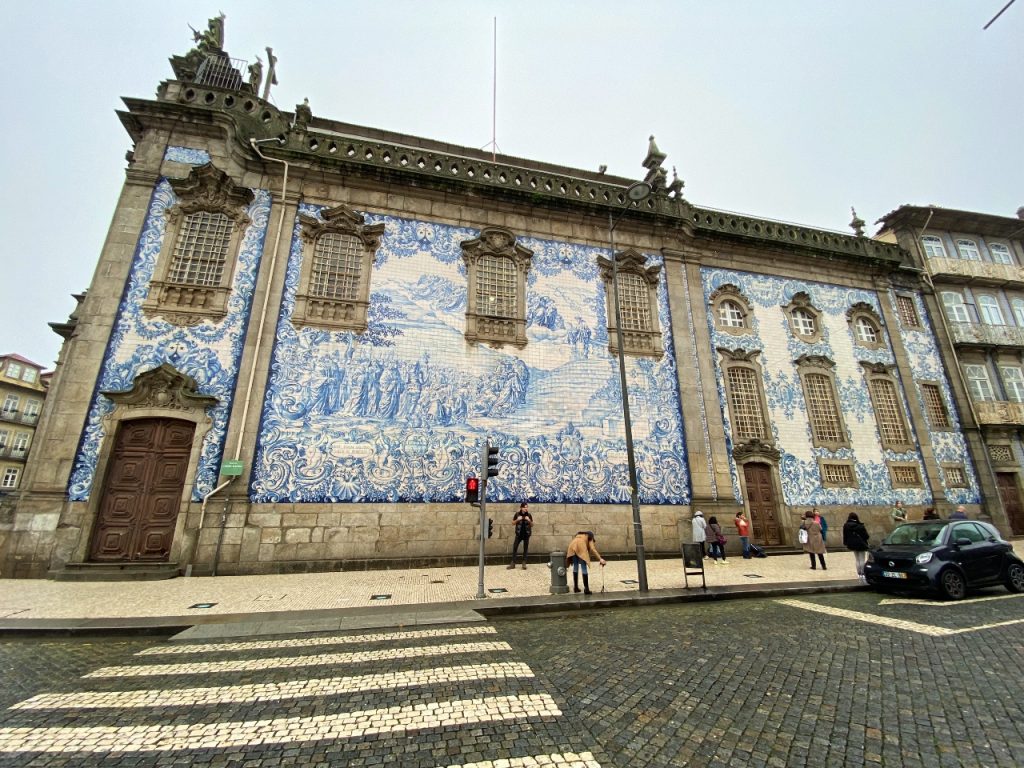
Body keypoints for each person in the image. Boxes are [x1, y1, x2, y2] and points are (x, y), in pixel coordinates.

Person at [842, 512, 870, 582]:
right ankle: (863, 574)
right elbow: (866, 536)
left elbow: (845, 535)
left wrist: (846, 543)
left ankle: (859, 573)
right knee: (862, 559)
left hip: (852, 544)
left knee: (857, 559)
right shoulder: (860, 526)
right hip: (861, 544)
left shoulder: (846, 525)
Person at [507, 503, 533, 570]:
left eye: (527, 507)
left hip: (526, 534)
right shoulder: (517, 514)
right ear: (521, 508)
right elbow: (512, 523)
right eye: (524, 507)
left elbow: (532, 524)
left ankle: (524, 563)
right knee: (515, 548)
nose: (526, 508)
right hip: (519, 534)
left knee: (525, 549)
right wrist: (517, 520)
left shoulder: (529, 515)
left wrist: (529, 520)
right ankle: (513, 563)